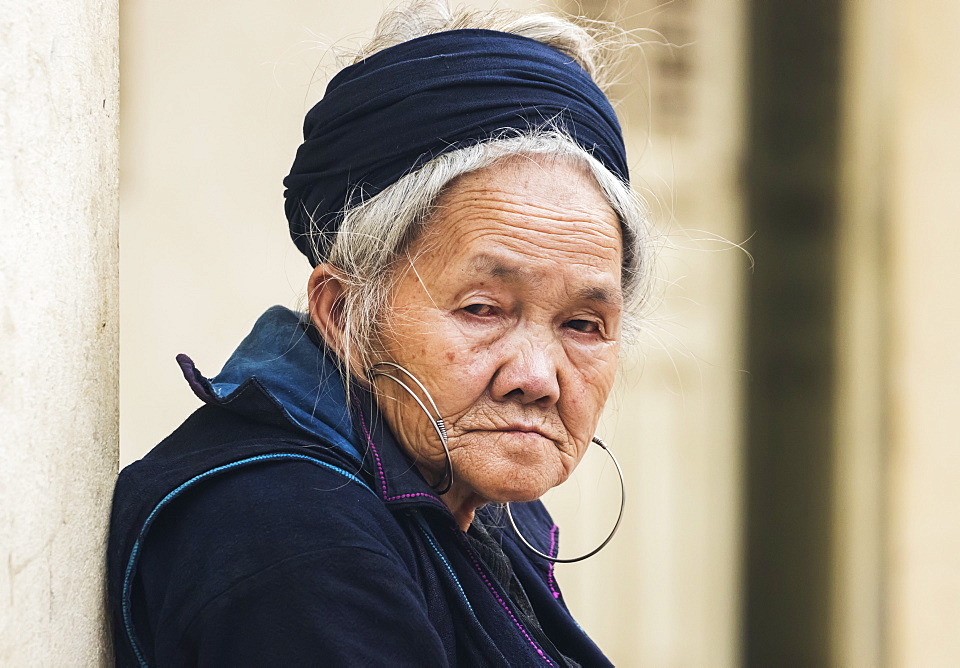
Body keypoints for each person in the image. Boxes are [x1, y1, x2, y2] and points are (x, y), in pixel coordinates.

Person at [107, 2, 651, 665]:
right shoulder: (290, 533)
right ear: (343, 314)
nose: (537, 378)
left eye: (582, 325)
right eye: (483, 309)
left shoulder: (479, 507)